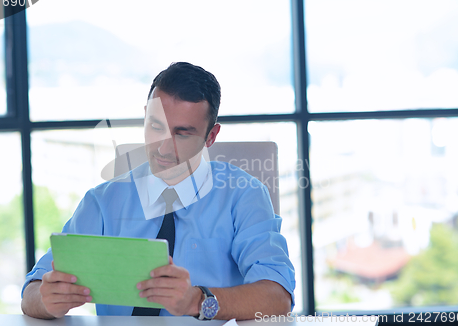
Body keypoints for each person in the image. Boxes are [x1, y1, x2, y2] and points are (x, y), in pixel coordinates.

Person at [21, 62, 295, 320]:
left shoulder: (244, 196)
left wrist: (196, 301)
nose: (163, 148)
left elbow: (278, 296)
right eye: (155, 127)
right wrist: (46, 300)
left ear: (211, 136)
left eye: (183, 134)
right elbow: (32, 290)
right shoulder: (103, 201)